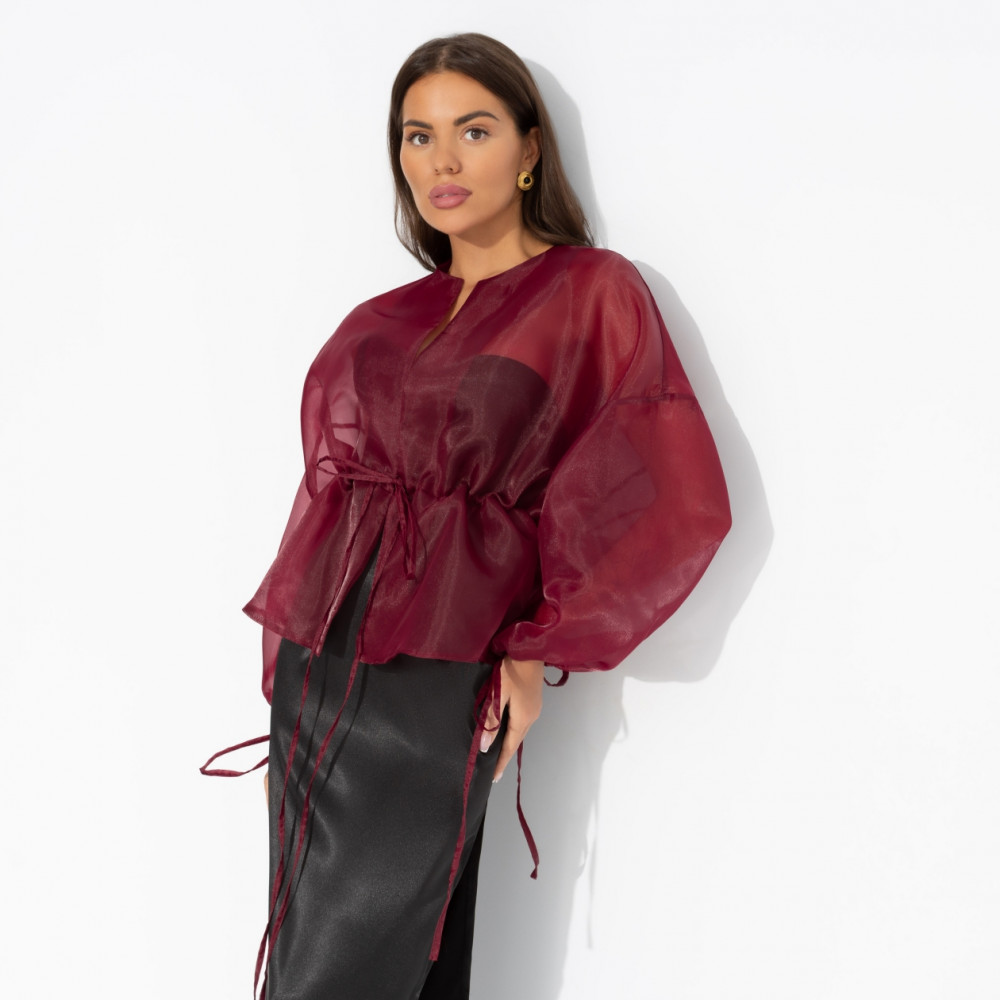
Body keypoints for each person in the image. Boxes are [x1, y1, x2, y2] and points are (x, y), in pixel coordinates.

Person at [206, 31, 731, 1000]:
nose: (441, 161)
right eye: (418, 136)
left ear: (529, 148)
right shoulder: (381, 319)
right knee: (389, 958)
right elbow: (328, 499)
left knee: (349, 958)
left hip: (444, 666)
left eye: (473, 130)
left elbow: (663, 485)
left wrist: (535, 646)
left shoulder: (588, 292)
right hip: (326, 662)